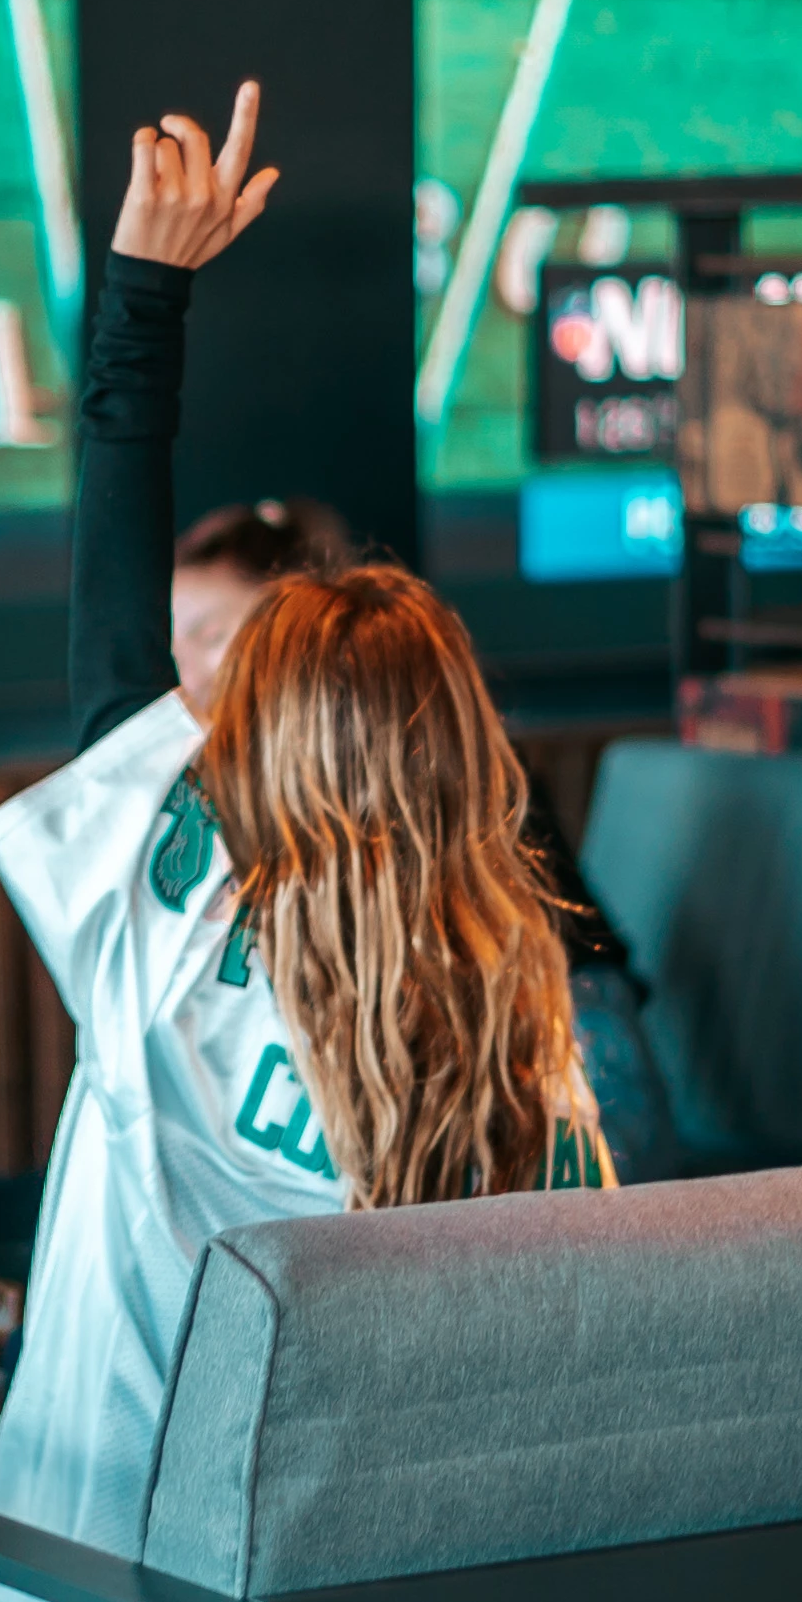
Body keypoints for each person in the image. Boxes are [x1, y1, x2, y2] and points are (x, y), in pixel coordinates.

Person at [0, 85, 615, 1602]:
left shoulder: (163, 909)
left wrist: (145, 297)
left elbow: (109, 625)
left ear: (254, 735)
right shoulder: (521, 1028)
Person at [161, 497, 682, 1176]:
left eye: (211, 635)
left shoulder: (398, 745)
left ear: (296, 628)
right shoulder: (236, 773)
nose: (188, 672)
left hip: (567, 1043)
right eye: (174, 646)